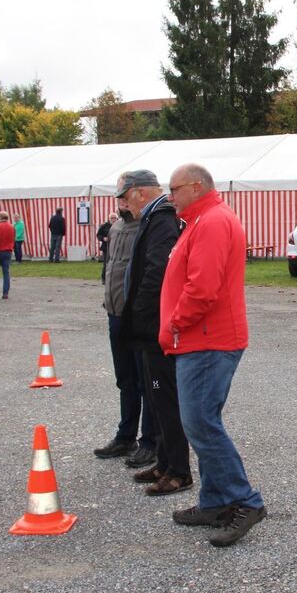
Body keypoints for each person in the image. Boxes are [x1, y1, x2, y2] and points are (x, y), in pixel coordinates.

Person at [161, 163, 266, 548]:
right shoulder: (202, 221)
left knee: (201, 423)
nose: (170, 197)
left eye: (174, 189)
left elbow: (202, 288)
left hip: (208, 339)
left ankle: (244, 500)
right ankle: (215, 501)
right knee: (200, 422)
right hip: (201, 338)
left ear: (196, 186)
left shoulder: (212, 222)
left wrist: (174, 322)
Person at [120, 170, 190, 488]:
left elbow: (157, 271)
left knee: (165, 397)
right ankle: (165, 463)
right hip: (151, 325)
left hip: (155, 327)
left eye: (125, 197)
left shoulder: (161, 219)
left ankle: (177, 469)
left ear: (140, 193)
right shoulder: (154, 218)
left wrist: (140, 312)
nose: (123, 204)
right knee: (157, 396)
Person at [94, 181, 156, 462]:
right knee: (125, 379)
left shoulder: (147, 226)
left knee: (148, 382)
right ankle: (125, 436)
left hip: (138, 316)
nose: (120, 201)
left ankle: (150, 441)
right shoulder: (117, 227)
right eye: (118, 196)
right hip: (115, 312)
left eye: (125, 195)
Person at [97, 211, 116, 282]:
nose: (113, 219)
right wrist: (103, 238)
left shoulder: (119, 225)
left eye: (114, 218)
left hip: (116, 247)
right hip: (106, 247)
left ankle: (113, 279)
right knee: (106, 263)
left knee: (115, 264)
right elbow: (98, 235)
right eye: (112, 218)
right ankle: (104, 278)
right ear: (109, 218)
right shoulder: (104, 226)